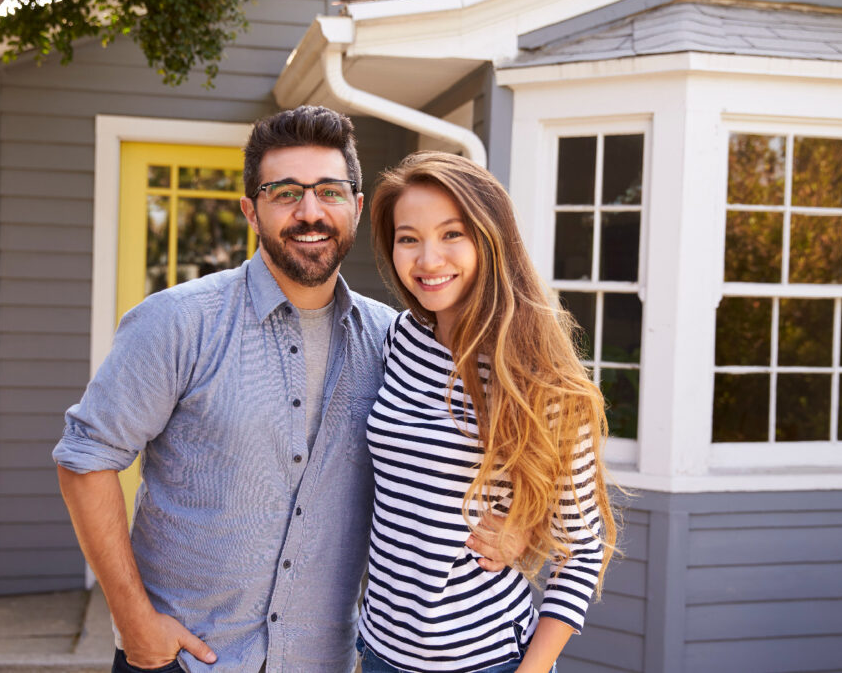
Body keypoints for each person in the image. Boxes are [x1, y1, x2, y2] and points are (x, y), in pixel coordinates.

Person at [53, 107, 510, 673]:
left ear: (358, 207)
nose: (310, 212)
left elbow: (469, 460)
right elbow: (85, 459)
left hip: (325, 661)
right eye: (286, 192)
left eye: (330, 192)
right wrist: (133, 621)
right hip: (183, 660)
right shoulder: (176, 323)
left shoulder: (395, 342)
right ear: (251, 209)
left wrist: (521, 529)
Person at [357, 151, 618, 673]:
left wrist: (533, 669)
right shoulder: (400, 340)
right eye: (408, 238)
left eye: (451, 234)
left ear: (490, 238)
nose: (428, 260)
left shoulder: (541, 379)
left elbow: (582, 548)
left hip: (485, 660)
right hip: (380, 651)